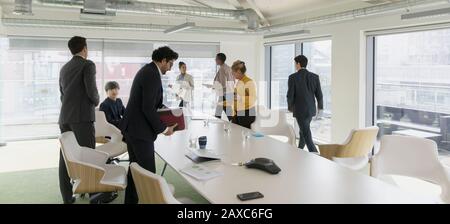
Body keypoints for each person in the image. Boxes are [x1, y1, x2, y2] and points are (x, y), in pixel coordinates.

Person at [120, 46, 179, 204]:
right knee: (148, 176)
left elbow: (150, 103)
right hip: (139, 131)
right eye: (171, 64)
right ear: (163, 60)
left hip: (132, 129)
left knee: (135, 172)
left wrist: (166, 111)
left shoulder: (148, 71)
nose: (171, 67)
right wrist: (164, 128)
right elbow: (147, 107)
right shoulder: (152, 74)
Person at [58, 36, 100, 204]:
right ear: (84, 49)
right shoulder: (87, 64)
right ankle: (94, 197)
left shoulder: (64, 68)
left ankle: (67, 198)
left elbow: (62, 94)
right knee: (89, 157)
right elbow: (92, 92)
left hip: (65, 118)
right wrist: (97, 100)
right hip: (82, 117)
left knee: (65, 157)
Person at [287, 55, 323, 153]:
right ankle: (299, 151)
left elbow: (290, 94)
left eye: (295, 63)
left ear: (298, 64)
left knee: (306, 133)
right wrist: (320, 108)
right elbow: (319, 94)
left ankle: (315, 154)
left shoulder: (292, 77)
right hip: (311, 110)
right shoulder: (314, 77)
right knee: (303, 130)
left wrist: (290, 106)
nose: (295, 65)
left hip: (300, 110)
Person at [231, 60, 257, 129]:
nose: (232, 74)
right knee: (236, 135)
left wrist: (240, 98)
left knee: (245, 135)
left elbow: (253, 99)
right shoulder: (239, 82)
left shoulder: (249, 82)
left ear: (239, 72)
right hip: (238, 113)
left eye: (233, 72)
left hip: (247, 114)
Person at [211, 53, 234, 121]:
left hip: (225, 93)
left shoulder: (222, 69)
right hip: (229, 92)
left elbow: (223, 83)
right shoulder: (228, 68)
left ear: (220, 60)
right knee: (223, 111)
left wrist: (214, 86)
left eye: (216, 59)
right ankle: (233, 123)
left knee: (219, 112)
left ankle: (234, 124)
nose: (215, 60)